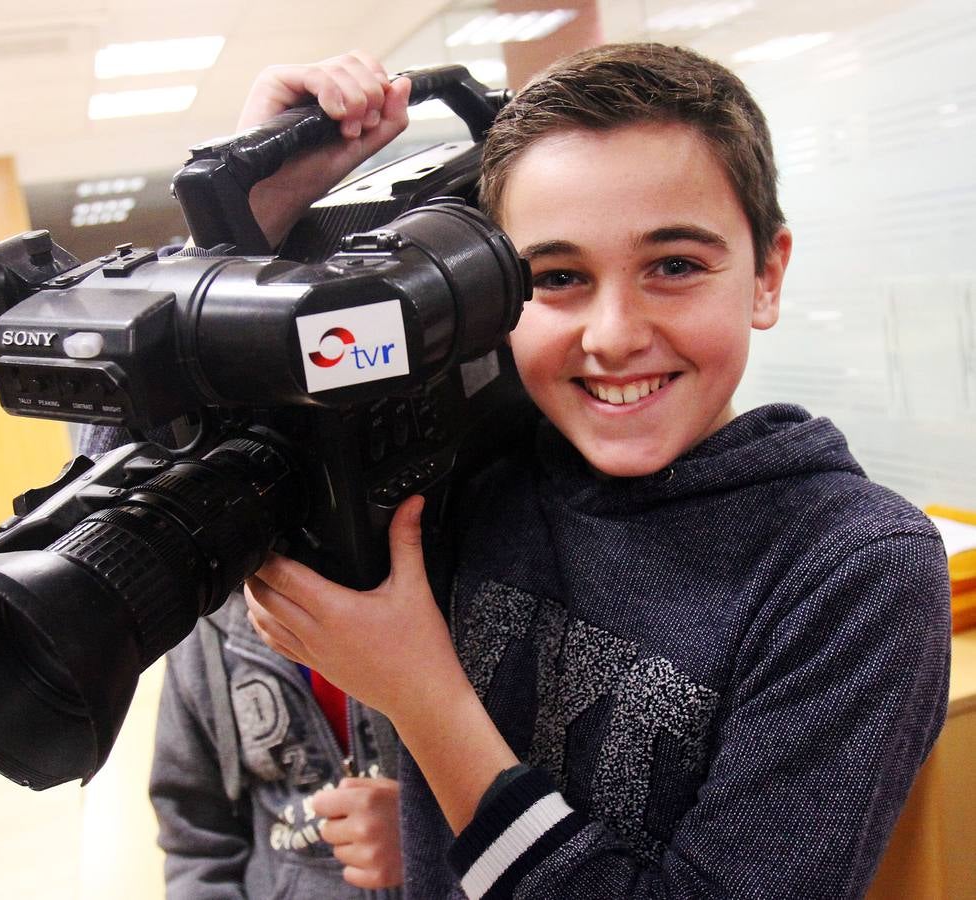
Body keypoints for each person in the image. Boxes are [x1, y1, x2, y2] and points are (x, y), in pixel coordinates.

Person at [242, 44, 953, 899]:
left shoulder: (851, 569)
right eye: (558, 277)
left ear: (766, 274)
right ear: (496, 298)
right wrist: (260, 218)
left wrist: (428, 705)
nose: (613, 334)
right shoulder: (478, 466)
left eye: (675, 266)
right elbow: (179, 476)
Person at [74, 55, 412, 898]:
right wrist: (237, 217)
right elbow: (195, 839)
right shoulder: (216, 606)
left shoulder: (474, 564)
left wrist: (435, 837)